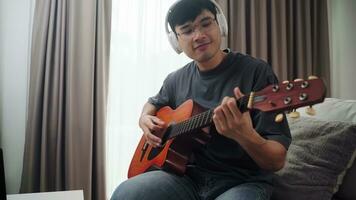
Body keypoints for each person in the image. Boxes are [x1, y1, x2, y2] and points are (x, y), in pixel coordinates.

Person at [111, 0, 291, 199]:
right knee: (125, 192)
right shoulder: (175, 80)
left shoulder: (256, 72)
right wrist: (144, 117)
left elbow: (276, 161)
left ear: (220, 24)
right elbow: (153, 103)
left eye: (206, 23)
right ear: (176, 41)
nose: (199, 36)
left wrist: (244, 135)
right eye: (187, 30)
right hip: (185, 178)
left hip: (242, 181)